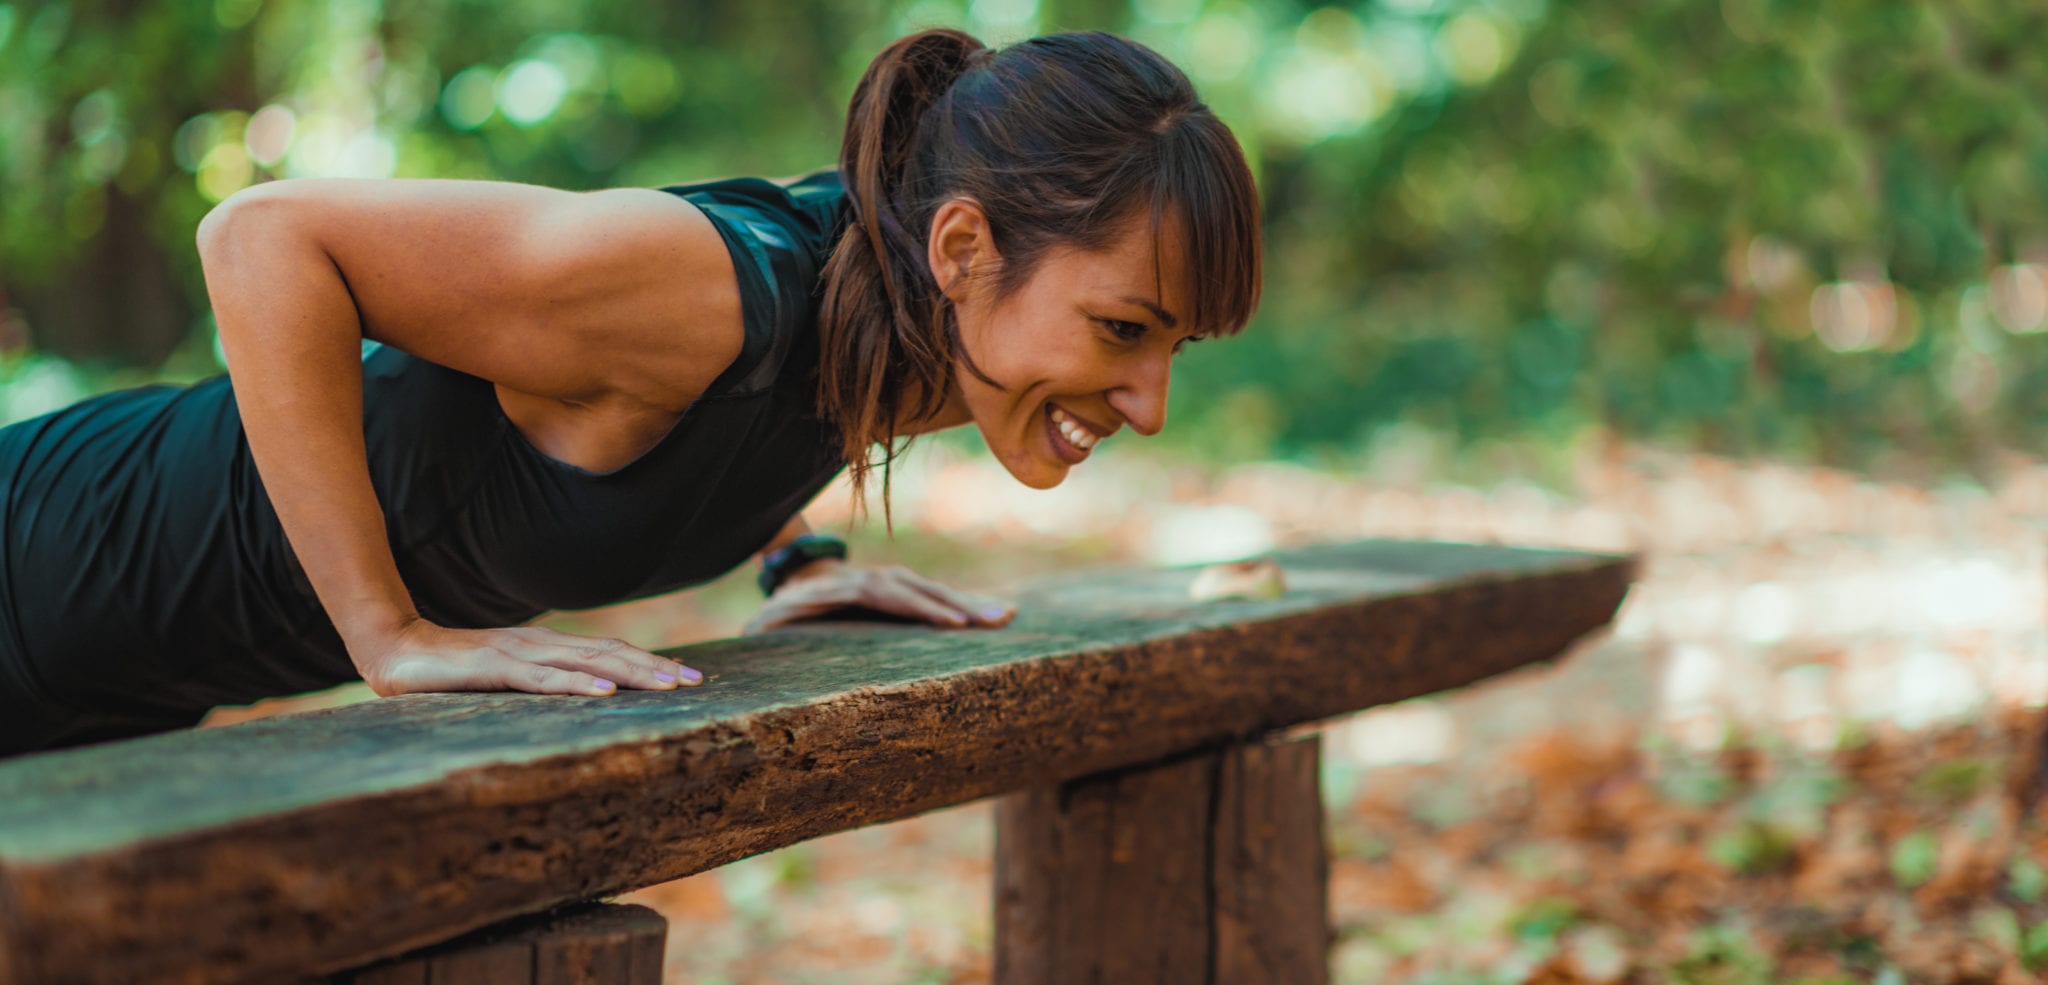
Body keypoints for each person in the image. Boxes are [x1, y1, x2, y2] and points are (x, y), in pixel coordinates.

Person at [0, 27, 1262, 755]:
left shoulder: (890, 313)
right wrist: (386, 634)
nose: (1146, 402)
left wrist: (801, 561)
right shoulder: (707, 286)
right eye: (1122, 327)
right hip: (37, 571)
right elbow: (263, 239)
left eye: (1171, 350)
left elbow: (722, 407)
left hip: (136, 673)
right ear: (961, 248)